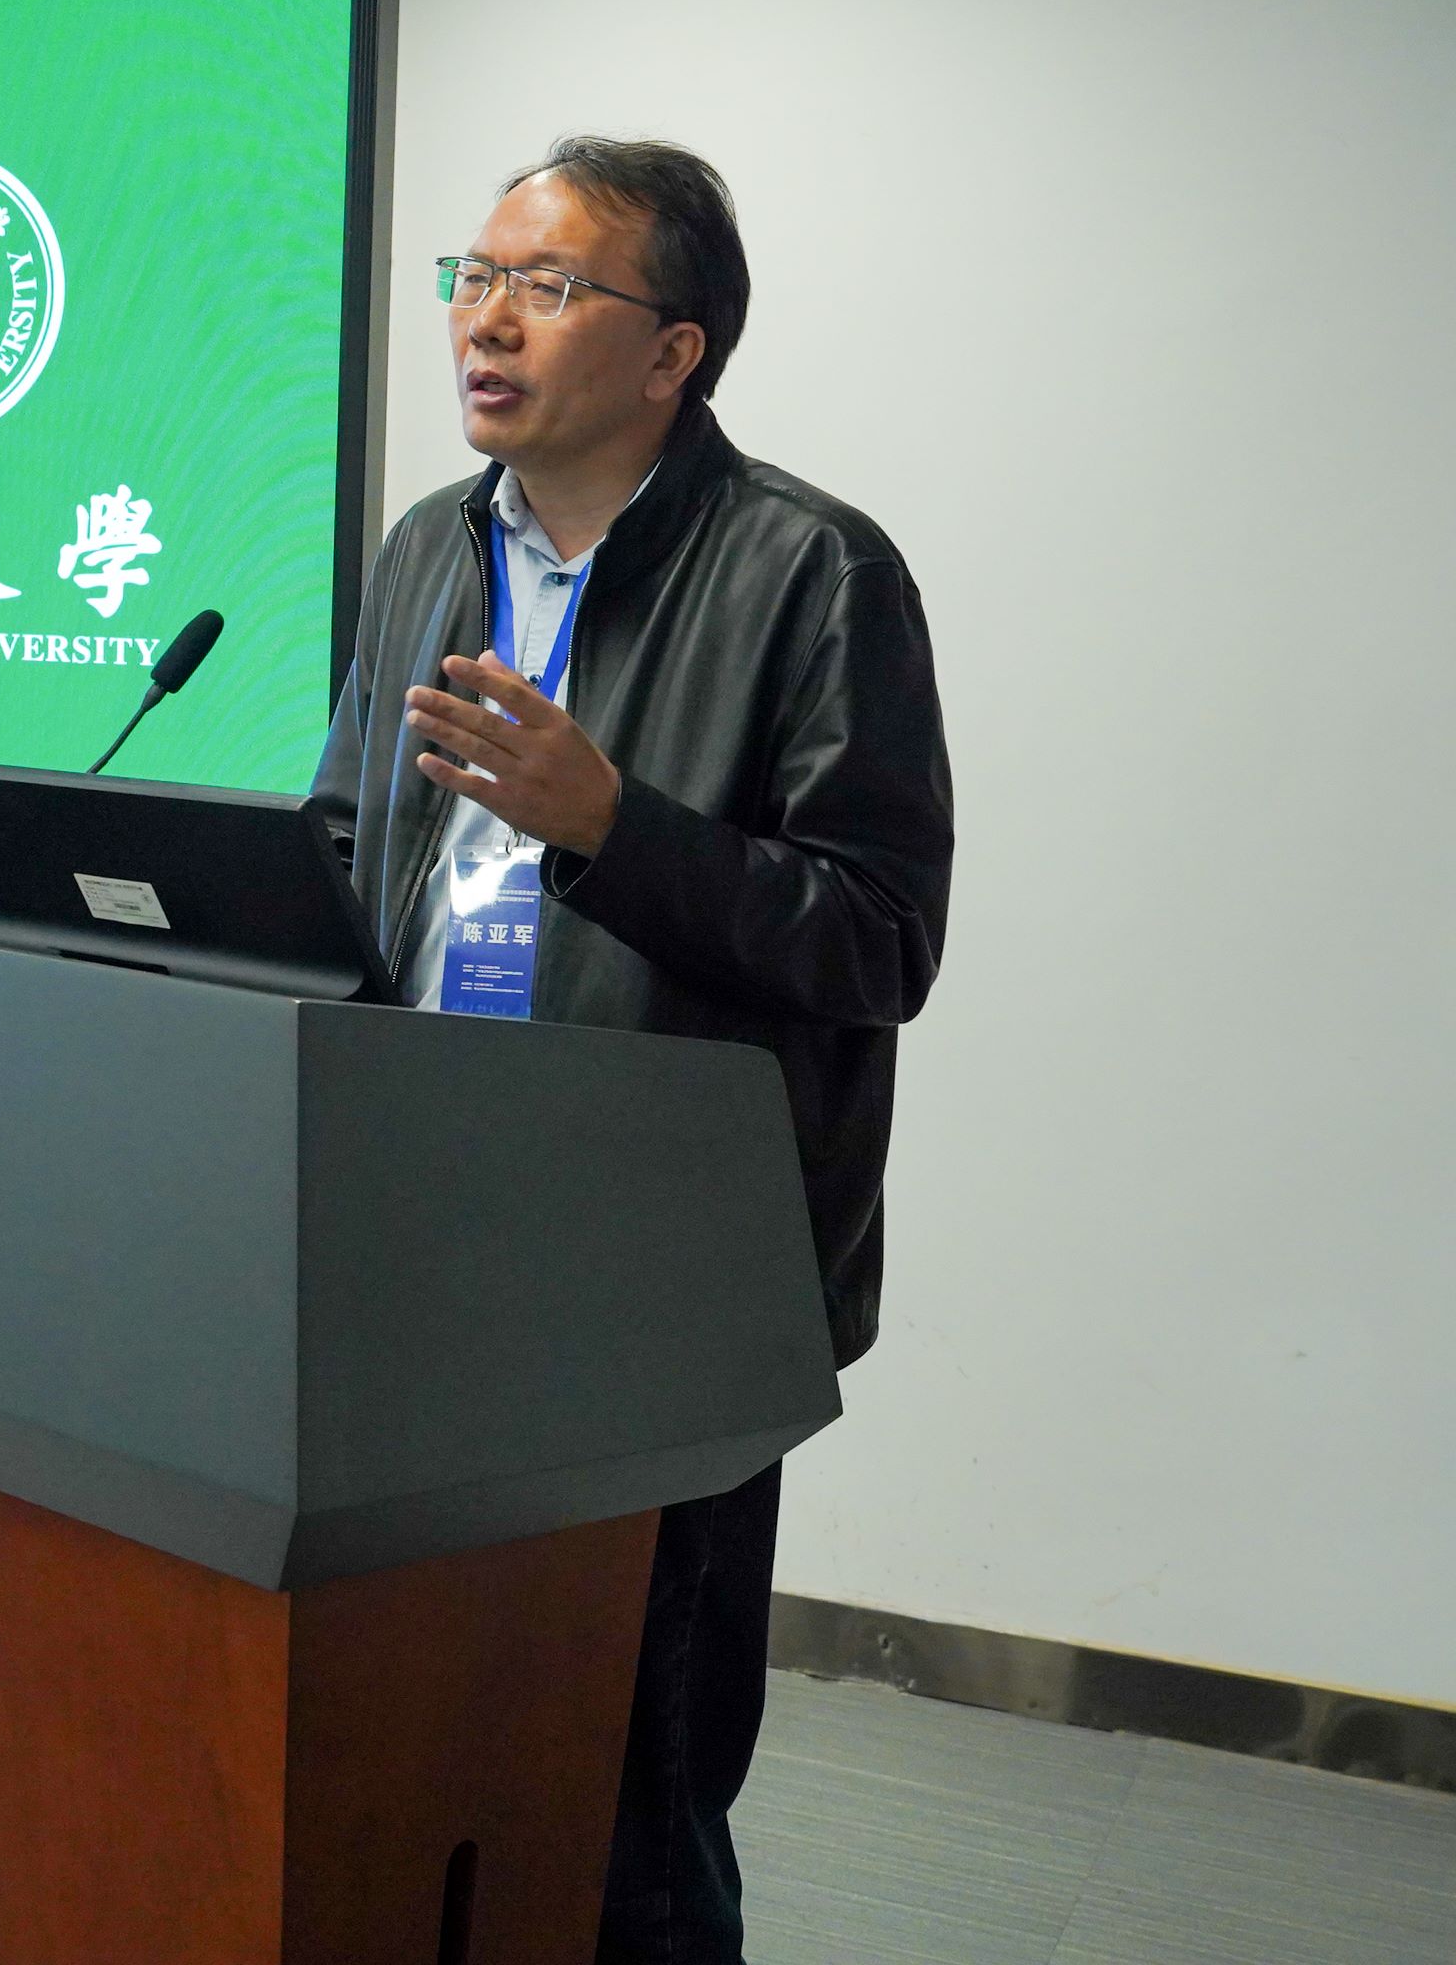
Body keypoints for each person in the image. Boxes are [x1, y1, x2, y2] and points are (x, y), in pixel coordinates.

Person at [311, 137, 954, 1965]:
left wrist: (614, 827)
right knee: (424, 1735)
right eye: (473, 276)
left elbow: (879, 938)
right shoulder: (431, 547)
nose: (484, 320)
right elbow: (353, 840)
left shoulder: (814, 570)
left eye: (546, 285)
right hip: (418, 1224)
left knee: (631, 1790)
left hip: (657, 1274)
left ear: (675, 351)